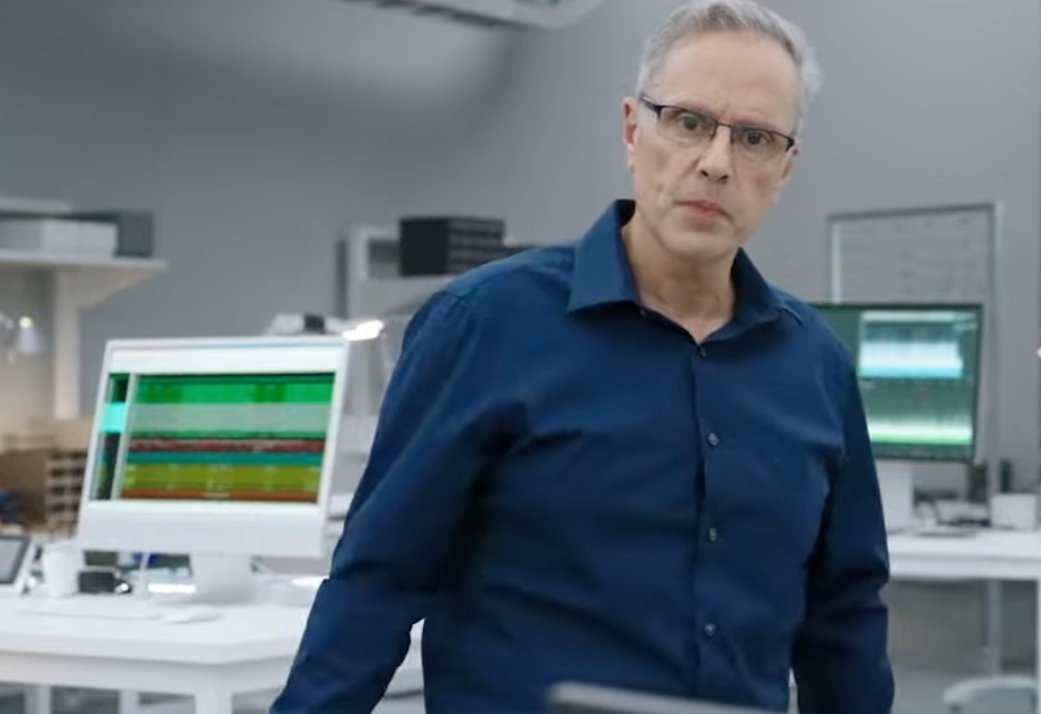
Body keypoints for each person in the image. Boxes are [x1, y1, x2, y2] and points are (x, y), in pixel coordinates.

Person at [272, 1, 893, 712]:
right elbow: (376, 584)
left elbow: (844, 616)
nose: (716, 163)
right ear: (634, 129)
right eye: (688, 122)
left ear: (784, 168)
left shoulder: (813, 365)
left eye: (753, 138)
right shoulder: (486, 325)